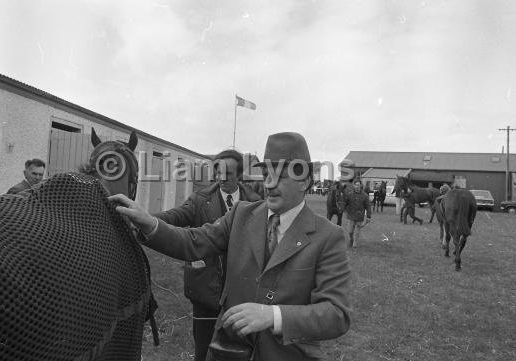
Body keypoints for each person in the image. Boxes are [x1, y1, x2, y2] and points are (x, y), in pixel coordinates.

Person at [110, 132, 351, 361]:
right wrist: (149, 223)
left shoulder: (328, 237)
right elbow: (193, 241)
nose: (269, 184)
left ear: (305, 181)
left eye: (280, 175)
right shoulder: (242, 215)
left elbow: (336, 314)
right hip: (229, 351)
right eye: (266, 174)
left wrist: (273, 316)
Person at [153, 149, 262, 361]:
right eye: (218, 171)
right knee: (203, 350)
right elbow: (175, 216)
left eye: (228, 173)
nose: (222, 177)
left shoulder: (255, 202)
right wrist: (146, 220)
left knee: (238, 350)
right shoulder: (200, 199)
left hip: (241, 293)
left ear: (239, 175)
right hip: (205, 290)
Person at [343, 179, 371, 248]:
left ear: (360, 185)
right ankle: (351, 239)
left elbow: (368, 206)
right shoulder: (349, 194)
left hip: (359, 216)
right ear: (354, 186)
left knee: (357, 230)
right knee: (350, 231)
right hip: (351, 216)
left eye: (358, 185)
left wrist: (368, 216)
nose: (357, 186)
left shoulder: (365, 195)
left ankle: (355, 243)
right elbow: (345, 203)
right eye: (356, 185)